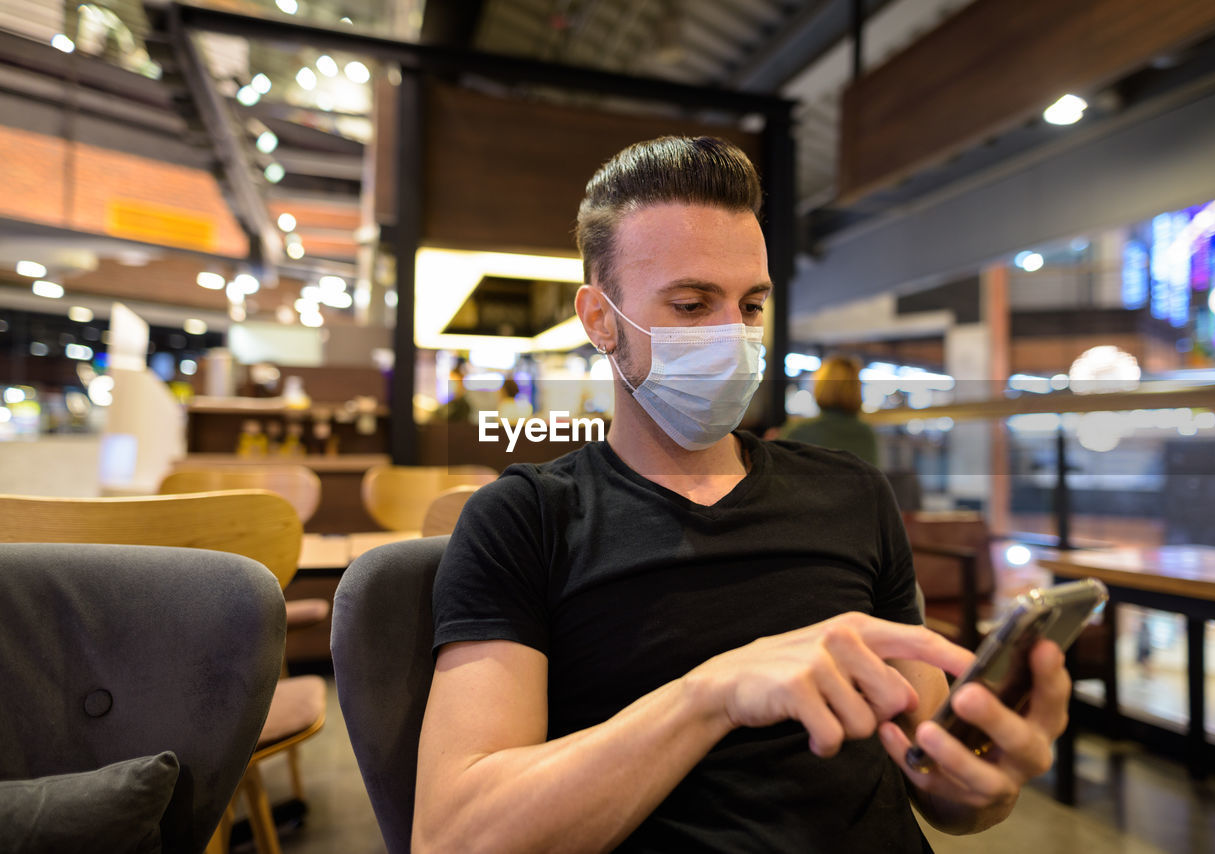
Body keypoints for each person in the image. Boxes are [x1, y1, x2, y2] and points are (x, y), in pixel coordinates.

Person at [416, 136, 1070, 853]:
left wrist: (986, 778)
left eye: (751, 305)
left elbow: (941, 791)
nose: (732, 337)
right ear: (600, 319)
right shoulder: (527, 520)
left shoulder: (851, 494)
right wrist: (712, 696)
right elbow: (454, 837)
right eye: (693, 305)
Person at [776, 355, 880, 465]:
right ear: (857, 388)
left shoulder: (799, 431)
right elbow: (873, 480)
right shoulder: (867, 435)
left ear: (820, 385)